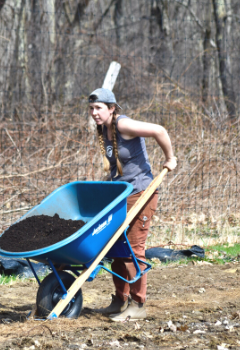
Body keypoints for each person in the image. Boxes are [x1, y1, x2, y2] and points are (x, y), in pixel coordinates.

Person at [87, 88, 177, 321]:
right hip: (121, 195)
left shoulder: (123, 125)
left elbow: (159, 130)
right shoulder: (103, 130)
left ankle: (138, 304)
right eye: (91, 109)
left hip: (142, 192)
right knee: (116, 248)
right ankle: (120, 300)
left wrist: (170, 158)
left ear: (111, 108)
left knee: (134, 248)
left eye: (98, 108)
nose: (94, 113)